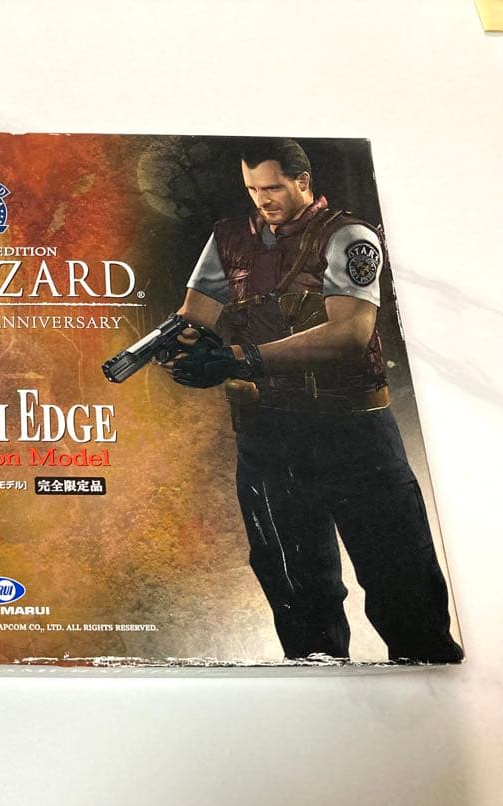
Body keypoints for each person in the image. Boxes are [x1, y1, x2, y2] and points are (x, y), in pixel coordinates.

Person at [166, 137, 462, 662]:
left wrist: (239, 358)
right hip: (268, 435)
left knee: (402, 576)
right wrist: (179, 351)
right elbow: (193, 318)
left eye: (273, 187)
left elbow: (349, 334)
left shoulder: (349, 236)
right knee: (296, 589)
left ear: (303, 181)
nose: (262, 199)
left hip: (353, 429)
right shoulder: (230, 237)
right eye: (253, 189)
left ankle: (430, 683)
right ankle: (317, 689)